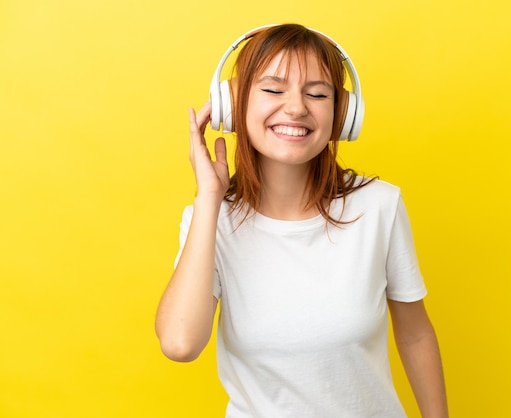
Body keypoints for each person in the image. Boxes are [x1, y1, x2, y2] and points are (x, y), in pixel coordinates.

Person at [155, 23, 448, 418]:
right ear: (232, 105)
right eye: (274, 89)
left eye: (317, 93)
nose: (295, 107)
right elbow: (179, 344)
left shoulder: (380, 206)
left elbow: (414, 335)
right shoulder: (209, 222)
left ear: (343, 114)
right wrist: (209, 198)